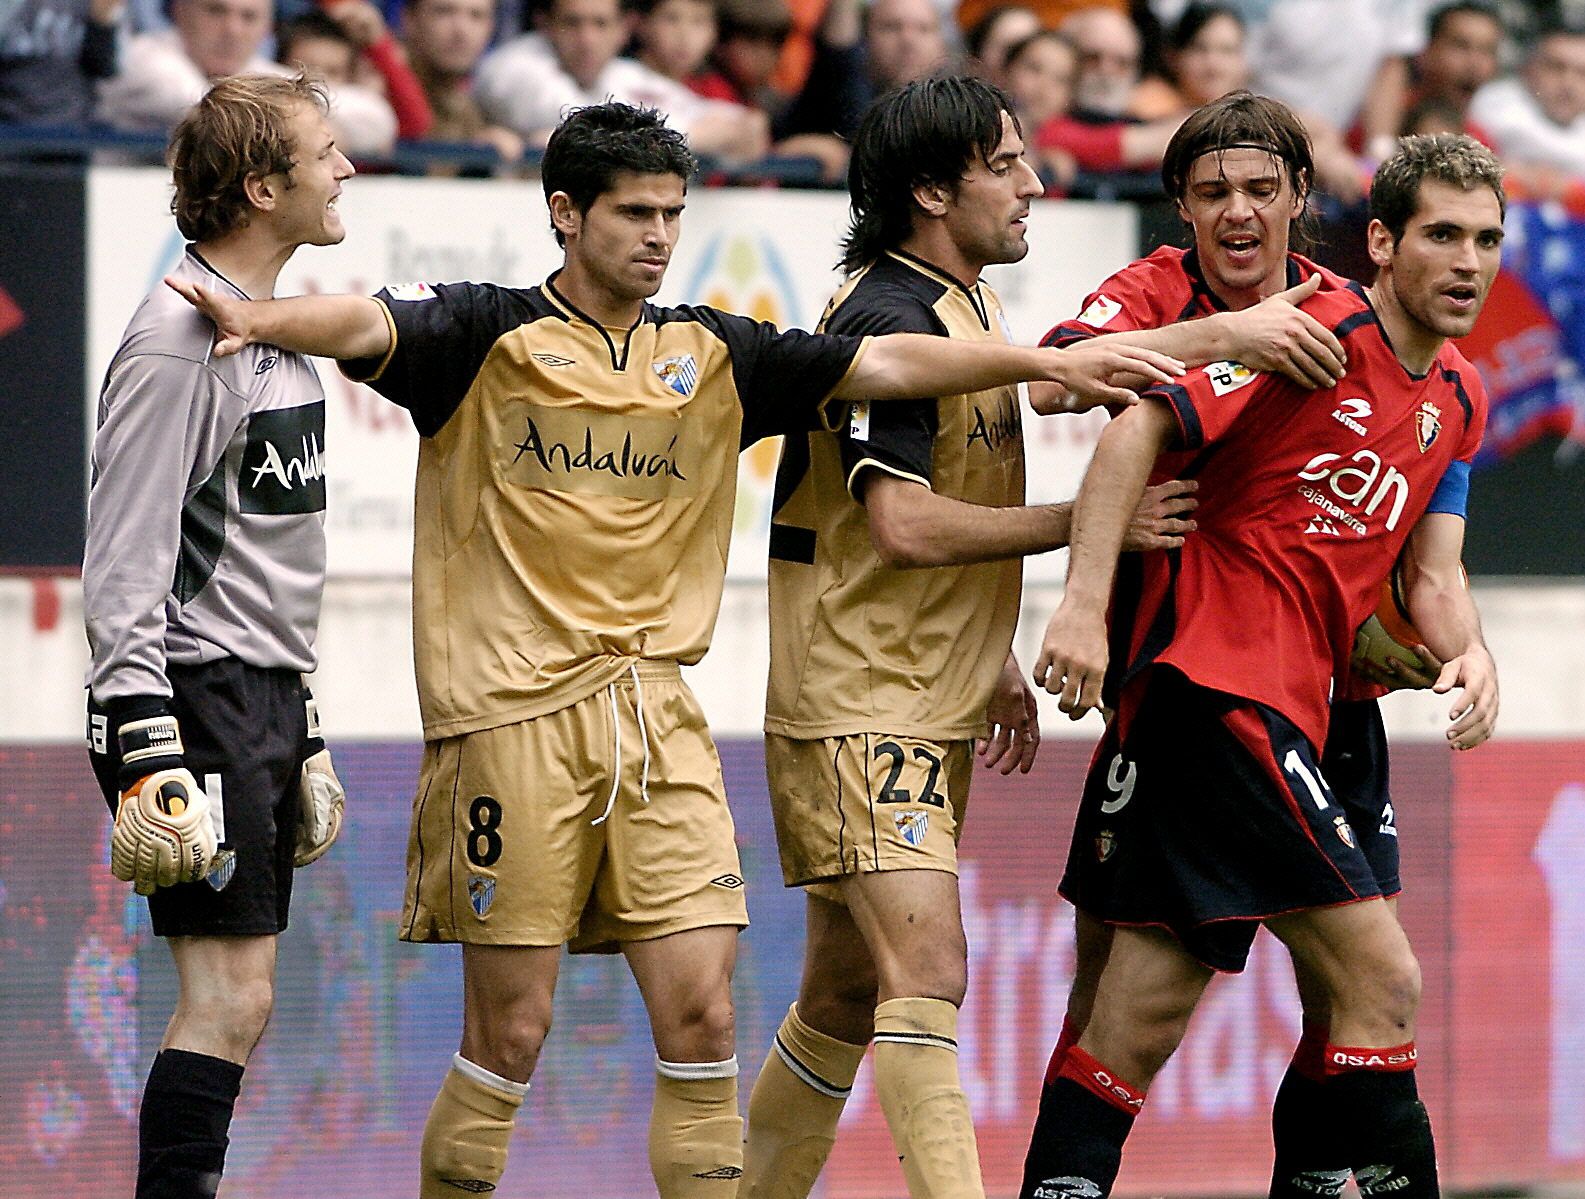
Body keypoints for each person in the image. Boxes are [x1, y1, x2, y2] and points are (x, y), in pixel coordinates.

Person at [165, 100, 1183, 1199]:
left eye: (672, 213)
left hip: (657, 720)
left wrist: (1051, 365)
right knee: (510, 1033)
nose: (658, 235)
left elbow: (882, 364)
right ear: (565, 214)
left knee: (705, 1013)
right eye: (634, 213)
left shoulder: (712, 350)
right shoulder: (483, 333)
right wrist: (261, 320)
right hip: (512, 725)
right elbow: (366, 323)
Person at [1022, 88, 1497, 1197]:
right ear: (1380, 240)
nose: (1465, 260)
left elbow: (1432, 572)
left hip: (1321, 706)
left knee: (1134, 1017)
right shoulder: (1302, 333)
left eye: (1483, 239)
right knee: (1382, 983)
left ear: (1299, 202)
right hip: (1214, 688)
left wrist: (1466, 652)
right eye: (1440, 234)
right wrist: (1082, 603)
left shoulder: (1458, 394)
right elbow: (1109, 404)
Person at [738, 76, 1198, 1199]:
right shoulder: (885, 321)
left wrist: (985, 646)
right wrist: (1092, 522)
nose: (1035, 183)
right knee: (929, 968)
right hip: (858, 702)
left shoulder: (962, 304)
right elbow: (898, 522)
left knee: (847, 995)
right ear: (932, 190)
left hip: (913, 691)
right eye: (1007, 164)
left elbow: (881, 525)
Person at [82, 72, 352, 1199]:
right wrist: (142, 742)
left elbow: (258, 562)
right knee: (226, 1001)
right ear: (260, 185)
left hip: (260, 699)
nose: (346, 168)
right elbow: (126, 555)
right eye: (325, 152)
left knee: (242, 1002)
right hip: (193, 698)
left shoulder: (276, 334)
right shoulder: (176, 339)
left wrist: (308, 726)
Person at [474, 0, 769, 160]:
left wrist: (740, 126)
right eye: (573, 23)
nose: (587, 39)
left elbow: (743, 124)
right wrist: (697, 137)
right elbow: (588, 131)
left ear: (623, 29)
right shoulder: (512, 67)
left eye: (600, 24)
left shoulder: (623, 73)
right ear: (545, 24)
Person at [98, 0, 399, 156]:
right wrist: (310, 129)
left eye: (249, 17)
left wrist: (326, 130)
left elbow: (377, 117)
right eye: (216, 11)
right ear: (179, 11)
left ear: (268, 26)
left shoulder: (258, 73)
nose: (233, 30)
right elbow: (218, 110)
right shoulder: (142, 58)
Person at [400, 0, 524, 160]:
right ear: (410, 19)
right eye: (444, 11)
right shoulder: (379, 85)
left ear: (491, 27)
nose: (461, 30)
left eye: (476, 15)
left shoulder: (476, 103)